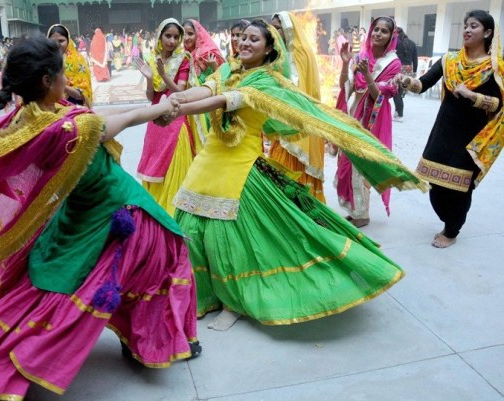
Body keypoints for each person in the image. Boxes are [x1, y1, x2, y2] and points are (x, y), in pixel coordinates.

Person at [0, 36, 200, 400]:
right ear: (46, 81)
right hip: (113, 207)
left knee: (78, 281)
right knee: (167, 251)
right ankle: (148, 341)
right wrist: (163, 108)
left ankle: (135, 335)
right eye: (62, 74)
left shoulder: (26, 118)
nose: (68, 80)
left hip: (81, 211)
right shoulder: (71, 128)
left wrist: (163, 106)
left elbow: (101, 118)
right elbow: (116, 120)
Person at [162, 19, 426, 331]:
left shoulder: (266, 81)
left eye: (253, 40)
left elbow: (222, 100)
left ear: (269, 49)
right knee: (189, 229)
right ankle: (202, 296)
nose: (244, 44)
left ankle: (234, 298)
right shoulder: (228, 70)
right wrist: (178, 98)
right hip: (208, 160)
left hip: (238, 168)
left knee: (227, 239)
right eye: (242, 38)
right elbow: (206, 89)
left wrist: (178, 108)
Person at [397, 10, 503, 248]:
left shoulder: (494, 67)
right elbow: (423, 84)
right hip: (443, 132)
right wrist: (407, 81)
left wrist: (472, 95)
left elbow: (498, 105)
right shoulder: (449, 61)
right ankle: (449, 221)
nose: (466, 29)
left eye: (473, 26)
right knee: (434, 184)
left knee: (459, 189)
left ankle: (452, 230)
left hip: (472, 138)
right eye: (465, 25)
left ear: (487, 32)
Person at [335, 16, 401, 228]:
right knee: (345, 163)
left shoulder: (393, 63)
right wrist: (346, 64)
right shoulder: (361, 56)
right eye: (375, 29)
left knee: (361, 166)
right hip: (355, 116)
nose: (378, 34)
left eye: (384, 31)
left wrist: (367, 74)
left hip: (374, 120)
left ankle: (362, 214)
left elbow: (379, 96)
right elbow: (347, 87)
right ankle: (355, 211)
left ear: (391, 36)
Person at [134, 18, 198, 215]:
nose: (172, 41)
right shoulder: (153, 60)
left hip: (175, 115)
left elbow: (180, 90)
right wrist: (150, 78)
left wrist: (163, 75)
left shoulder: (183, 59)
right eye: (168, 36)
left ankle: (175, 210)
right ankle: (155, 209)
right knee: (155, 161)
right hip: (156, 117)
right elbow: (151, 96)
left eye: (176, 37)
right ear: (160, 37)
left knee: (174, 160)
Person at [270, 11, 326, 202]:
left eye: (277, 28)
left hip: (300, 122)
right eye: (272, 28)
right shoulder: (277, 53)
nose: (273, 32)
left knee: (296, 169)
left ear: (288, 29)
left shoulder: (302, 53)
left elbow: (300, 87)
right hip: (281, 121)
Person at [47, 24, 94, 107]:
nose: (57, 44)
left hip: (72, 108)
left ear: (68, 41)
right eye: (53, 41)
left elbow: (82, 94)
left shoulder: (78, 60)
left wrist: (60, 85)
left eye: (61, 41)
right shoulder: (42, 59)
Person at [393, 27, 418, 122]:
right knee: (401, 92)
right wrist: (415, 71)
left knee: (396, 92)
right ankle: (397, 111)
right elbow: (415, 59)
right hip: (408, 70)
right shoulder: (412, 43)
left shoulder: (396, 43)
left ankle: (400, 114)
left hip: (398, 69)